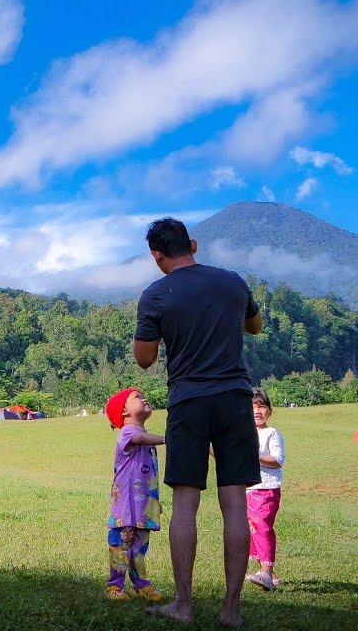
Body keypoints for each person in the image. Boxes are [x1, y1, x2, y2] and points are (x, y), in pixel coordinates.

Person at [133, 217, 263, 628]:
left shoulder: (155, 294)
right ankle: (231, 610)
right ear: (193, 243)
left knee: (185, 504)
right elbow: (254, 326)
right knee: (235, 505)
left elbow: (144, 358)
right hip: (235, 399)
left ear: (157, 256)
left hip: (189, 402)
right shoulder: (232, 282)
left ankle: (184, 606)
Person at [104, 387, 166, 602]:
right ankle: (115, 585)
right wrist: (168, 438)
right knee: (121, 547)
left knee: (139, 549)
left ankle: (141, 584)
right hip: (125, 506)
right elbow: (141, 438)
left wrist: (155, 502)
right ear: (124, 412)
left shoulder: (144, 437)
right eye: (137, 397)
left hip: (143, 506)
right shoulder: (128, 433)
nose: (144, 397)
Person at [246, 389, 285, 591]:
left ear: (269, 410)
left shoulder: (272, 433)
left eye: (261, 406)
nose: (257, 411)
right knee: (253, 530)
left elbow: (277, 461)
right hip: (248, 489)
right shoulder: (245, 433)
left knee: (262, 528)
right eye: (252, 407)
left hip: (266, 489)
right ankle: (271, 574)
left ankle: (267, 575)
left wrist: (255, 456)